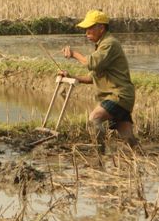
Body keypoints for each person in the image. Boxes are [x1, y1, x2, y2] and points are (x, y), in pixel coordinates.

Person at [60, 9, 139, 152]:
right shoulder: (101, 47)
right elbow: (91, 77)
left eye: (89, 28)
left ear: (101, 28)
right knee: (129, 140)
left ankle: (99, 151)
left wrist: (73, 54)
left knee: (94, 118)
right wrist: (70, 76)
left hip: (118, 95)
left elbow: (91, 63)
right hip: (122, 96)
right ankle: (140, 158)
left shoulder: (109, 44)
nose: (86, 33)